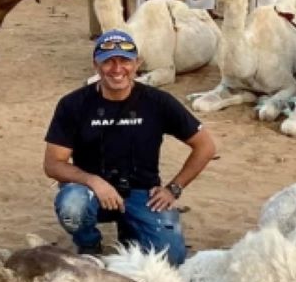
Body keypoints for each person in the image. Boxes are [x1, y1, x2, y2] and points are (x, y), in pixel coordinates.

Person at [42, 29, 216, 266]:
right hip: (91, 192)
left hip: (142, 193)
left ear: (138, 64)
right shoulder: (73, 104)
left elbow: (205, 146)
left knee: (172, 258)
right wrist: (95, 181)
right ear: (96, 65)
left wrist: (173, 188)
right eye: (108, 61)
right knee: (73, 205)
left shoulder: (158, 102)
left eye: (125, 61)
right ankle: (89, 244)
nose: (117, 69)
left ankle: (132, 229)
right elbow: (53, 163)